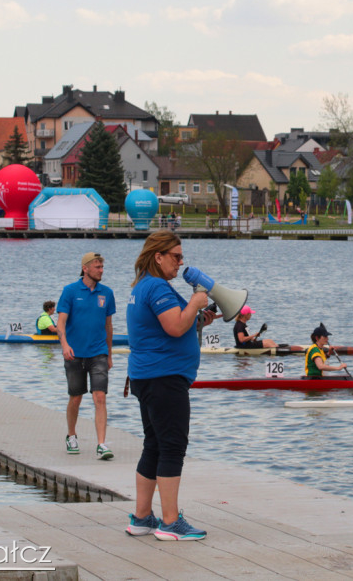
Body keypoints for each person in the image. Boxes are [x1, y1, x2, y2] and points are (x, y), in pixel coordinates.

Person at [125, 230, 216, 541]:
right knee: (172, 447)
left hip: (148, 377)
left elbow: (171, 323)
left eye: (181, 256)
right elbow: (175, 326)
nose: (180, 263)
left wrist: (199, 317)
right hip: (164, 379)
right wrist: (195, 301)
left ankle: (141, 518)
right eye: (175, 256)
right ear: (158, 256)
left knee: (154, 444)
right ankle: (170, 522)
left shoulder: (143, 287)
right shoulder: (157, 287)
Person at [57, 251, 116, 460]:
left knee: (100, 396)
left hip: (98, 352)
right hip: (74, 353)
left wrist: (109, 354)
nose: (101, 270)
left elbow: (109, 326)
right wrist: (64, 345)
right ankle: (71, 435)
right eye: (97, 267)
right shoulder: (70, 291)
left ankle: (101, 444)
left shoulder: (106, 293)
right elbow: (61, 323)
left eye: (102, 267)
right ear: (86, 268)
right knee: (76, 397)